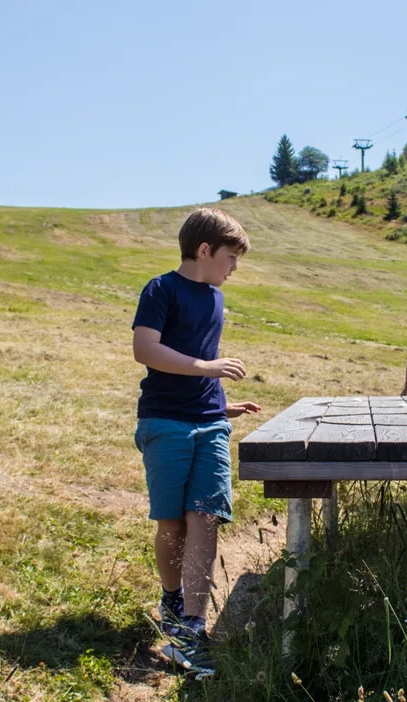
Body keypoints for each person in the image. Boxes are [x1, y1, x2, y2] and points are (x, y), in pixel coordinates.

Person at [132, 207, 261, 678]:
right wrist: (207, 369)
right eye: (230, 257)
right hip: (164, 423)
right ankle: (172, 603)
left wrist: (221, 405)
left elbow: (201, 364)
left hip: (209, 423)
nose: (234, 268)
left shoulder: (216, 300)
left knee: (205, 518)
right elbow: (146, 350)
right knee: (172, 524)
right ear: (204, 250)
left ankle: (191, 627)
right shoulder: (161, 289)